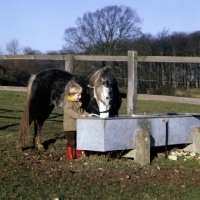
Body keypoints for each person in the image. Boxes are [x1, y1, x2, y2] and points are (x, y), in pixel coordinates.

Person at [63, 82, 90, 161]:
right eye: (78, 95)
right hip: (70, 127)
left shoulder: (78, 102)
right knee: (71, 142)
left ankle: (79, 154)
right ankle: (70, 157)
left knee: (79, 140)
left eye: (80, 94)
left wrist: (88, 114)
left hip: (78, 126)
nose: (80, 96)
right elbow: (69, 111)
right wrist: (79, 116)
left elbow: (82, 111)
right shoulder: (68, 102)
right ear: (72, 94)